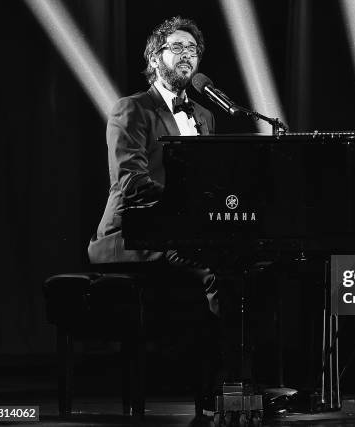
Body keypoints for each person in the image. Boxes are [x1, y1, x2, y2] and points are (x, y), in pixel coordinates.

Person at [87, 16, 219, 417]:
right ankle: (222, 387)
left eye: (192, 50)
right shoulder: (132, 109)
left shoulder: (205, 115)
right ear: (154, 56)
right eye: (177, 47)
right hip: (130, 235)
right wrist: (188, 210)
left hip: (184, 233)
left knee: (254, 262)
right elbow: (131, 183)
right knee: (218, 269)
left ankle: (244, 382)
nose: (187, 55)